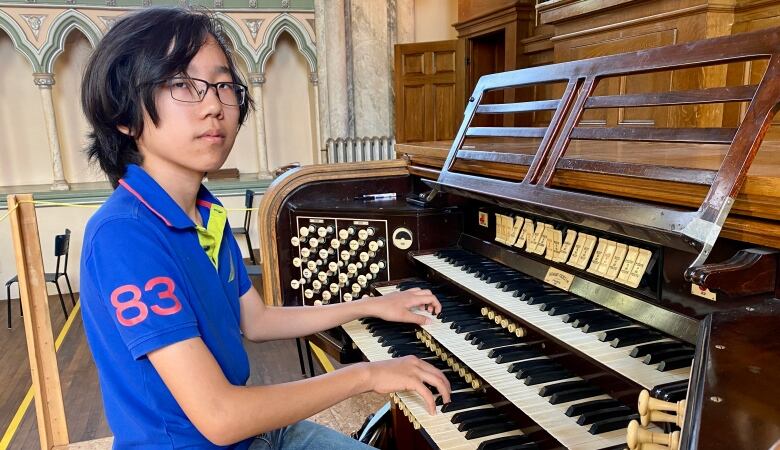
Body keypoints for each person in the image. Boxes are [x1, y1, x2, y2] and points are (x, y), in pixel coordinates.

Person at [78, 7, 450, 450]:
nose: (214, 105)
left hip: (256, 435)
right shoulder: (124, 235)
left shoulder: (203, 210)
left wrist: (371, 304)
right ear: (123, 113)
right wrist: (367, 374)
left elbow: (256, 319)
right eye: (182, 84)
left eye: (222, 86)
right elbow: (219, 417)